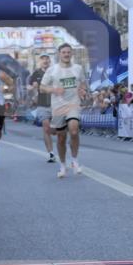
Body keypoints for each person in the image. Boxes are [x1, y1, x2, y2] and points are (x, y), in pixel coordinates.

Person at [40, 44, 90, 177]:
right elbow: (42, 87)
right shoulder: (52, 70)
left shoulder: (78, 68)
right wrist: (54, 90)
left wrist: (83, 90)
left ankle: (74, 160)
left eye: (68, 52)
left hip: (73, 104)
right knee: (61, 138)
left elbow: (83, 83)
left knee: (74, 130)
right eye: (64, 52)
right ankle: (62, 165)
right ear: (59, 54)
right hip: (58, 107)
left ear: (71, 53)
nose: (66, 54)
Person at [28, 54, 56, 162]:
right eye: (43, 59)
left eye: (47, 59)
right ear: (40, 62)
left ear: (49, 61)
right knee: (46, 127)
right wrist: (32, 87)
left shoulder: (55, 72)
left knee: (55, 130)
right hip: (42, 104)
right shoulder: (36, 73)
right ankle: (51, 153)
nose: (45, 61)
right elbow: (29, 86)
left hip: (55, 104)